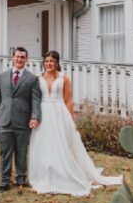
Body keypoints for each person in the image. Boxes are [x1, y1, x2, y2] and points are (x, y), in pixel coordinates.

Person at [28, 51, 121, 195]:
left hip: (59, 113)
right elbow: (35, 99)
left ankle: (65, 173)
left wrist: (71, 120)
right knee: (44, 143)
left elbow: (68, 101)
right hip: (44, 113)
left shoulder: (64, 78)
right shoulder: (38, 78)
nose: (49, 64)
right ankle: (46, 173)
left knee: (61, 143)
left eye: (51, 61)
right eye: (46, 61)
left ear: (57, 62)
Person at [0, 47, 42, 192]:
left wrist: (35, 117)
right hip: (5, 119)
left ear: (26, 59)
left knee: (21, 152)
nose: (19, 59)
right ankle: (4, 182)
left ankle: (21, 179)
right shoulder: (2, 76)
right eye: (17, 57)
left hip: (23, 120)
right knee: (5, 152)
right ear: (13, 58)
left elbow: (35, 100)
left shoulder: (32, 78)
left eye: (22, 57)